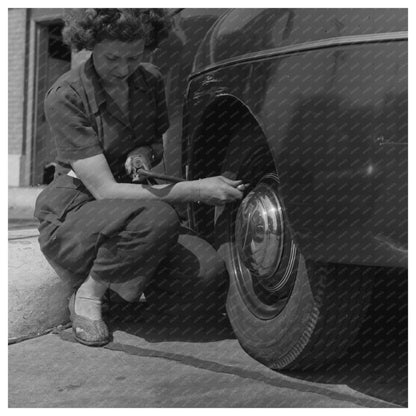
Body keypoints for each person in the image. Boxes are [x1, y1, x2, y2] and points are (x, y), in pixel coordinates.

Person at [34, 9, 245, 347]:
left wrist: (143, 154)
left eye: (134, 57)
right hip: (76, 212)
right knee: (158, 217)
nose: (122, 69)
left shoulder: (150, 80)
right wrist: (196, 189)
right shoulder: (67, 95)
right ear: (90, 45)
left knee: (207, 275)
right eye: (112, 58)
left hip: (133, 213)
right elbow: (104, 190)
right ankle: (88, 294)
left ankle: (123, 288)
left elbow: (152, 145)